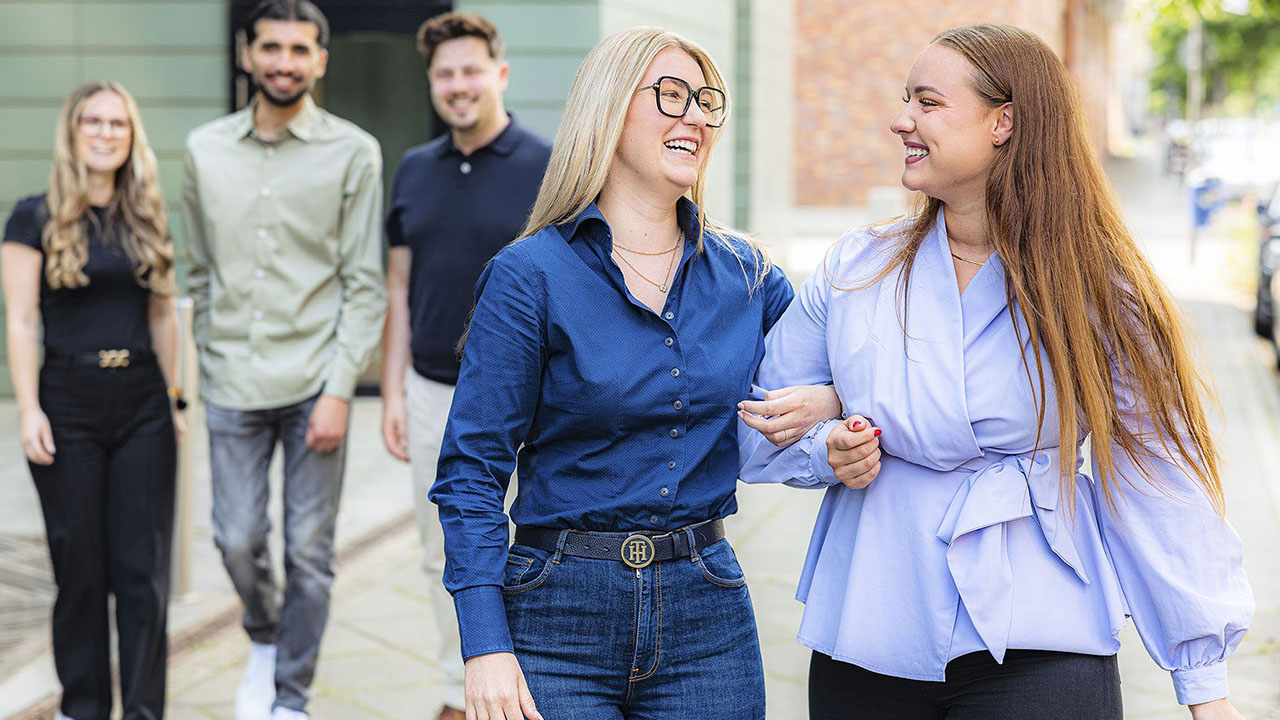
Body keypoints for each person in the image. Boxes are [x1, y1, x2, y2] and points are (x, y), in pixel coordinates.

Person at [738, 23, 1254, 720]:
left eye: (928, 102)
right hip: (871, 622)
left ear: (1003, 122)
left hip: (1043, 634)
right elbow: (754, 430)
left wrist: (1205, 685)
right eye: (904, 101)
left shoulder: (1097, 291)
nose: (901, 121)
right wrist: (826, 448)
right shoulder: (856, 267)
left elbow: (1157, 473)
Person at [429, 26, 842, 720]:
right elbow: (471, 472)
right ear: (609, 109)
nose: (695, 117)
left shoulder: (749, 277)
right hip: (555, 614)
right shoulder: (529, 276)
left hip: (706, 612)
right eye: (671, 95)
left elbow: (843, 370)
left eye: (705, 101)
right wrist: (484, 646)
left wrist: (830, 398)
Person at [180, 1, 385, 718]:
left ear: (320, 60)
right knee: (236, 539)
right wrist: (204, 360)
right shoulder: (204, 149)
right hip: (232, 381)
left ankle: (290, 696)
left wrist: (338, 390)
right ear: (247, 53)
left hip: (312, 385)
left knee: (308, 550)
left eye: (300, 50)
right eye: (271, 47)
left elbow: (365, 285)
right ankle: (265, 635)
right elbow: (198, 274)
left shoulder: (354, 151)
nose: (284, 63)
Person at [380, 12, 551, 719]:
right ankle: (463, 693)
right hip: (429, 389)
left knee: (533, 546)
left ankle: (536, 684)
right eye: (445, 73)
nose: (458, 85)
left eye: (470, 70)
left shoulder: (548, 164)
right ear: (432, 82)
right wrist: (391, 390)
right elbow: (398, 283)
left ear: (499, 74)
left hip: (530, 395)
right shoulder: (414, 170)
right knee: (439, 550)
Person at [2, 81, 182, 720]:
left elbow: (163, 317)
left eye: (119, 123)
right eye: (93, 121)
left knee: (142, 577)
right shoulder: (32, 216)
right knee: (80, 577)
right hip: (67, 402)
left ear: (132, 137)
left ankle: (141, 713)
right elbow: (21, 320)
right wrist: (29, 409)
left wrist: (174, 402)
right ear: (72, 130)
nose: (106, 132)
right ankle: (83, 709)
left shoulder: (145, 216)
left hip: (142, 404)